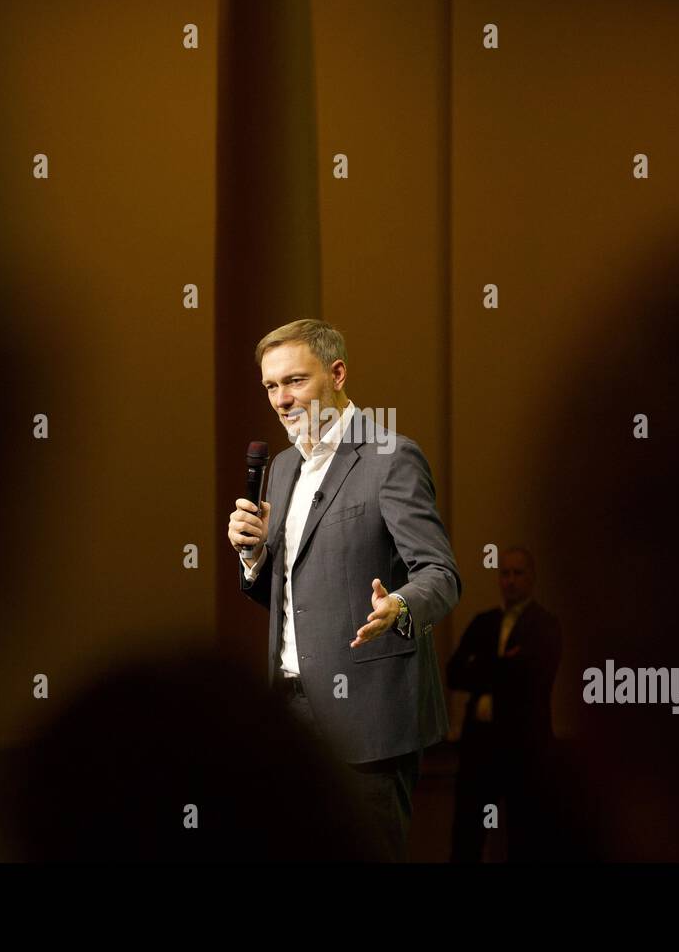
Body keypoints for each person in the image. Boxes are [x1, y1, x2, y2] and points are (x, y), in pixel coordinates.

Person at [226, 318, 460, 861]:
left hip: (367, 713)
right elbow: (298, 595)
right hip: (291, 711)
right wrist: (254, 558)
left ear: (337, 373)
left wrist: (399, 604)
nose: (281, 399)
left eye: (295, 382)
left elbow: (441, 573)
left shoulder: (389, 456)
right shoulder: (282, 468)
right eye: (270, 387)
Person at [447, 546, 562, 861]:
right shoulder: (483, 622)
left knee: (524, 835)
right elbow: (454, 673)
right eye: (505, 573)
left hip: (523, 748)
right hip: (479, 746)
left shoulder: (546, 626)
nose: (510, 581)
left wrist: (483, 666)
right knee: (467, 832)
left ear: (532, 578)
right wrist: (502, 665)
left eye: (517, 573)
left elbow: (534, 680)